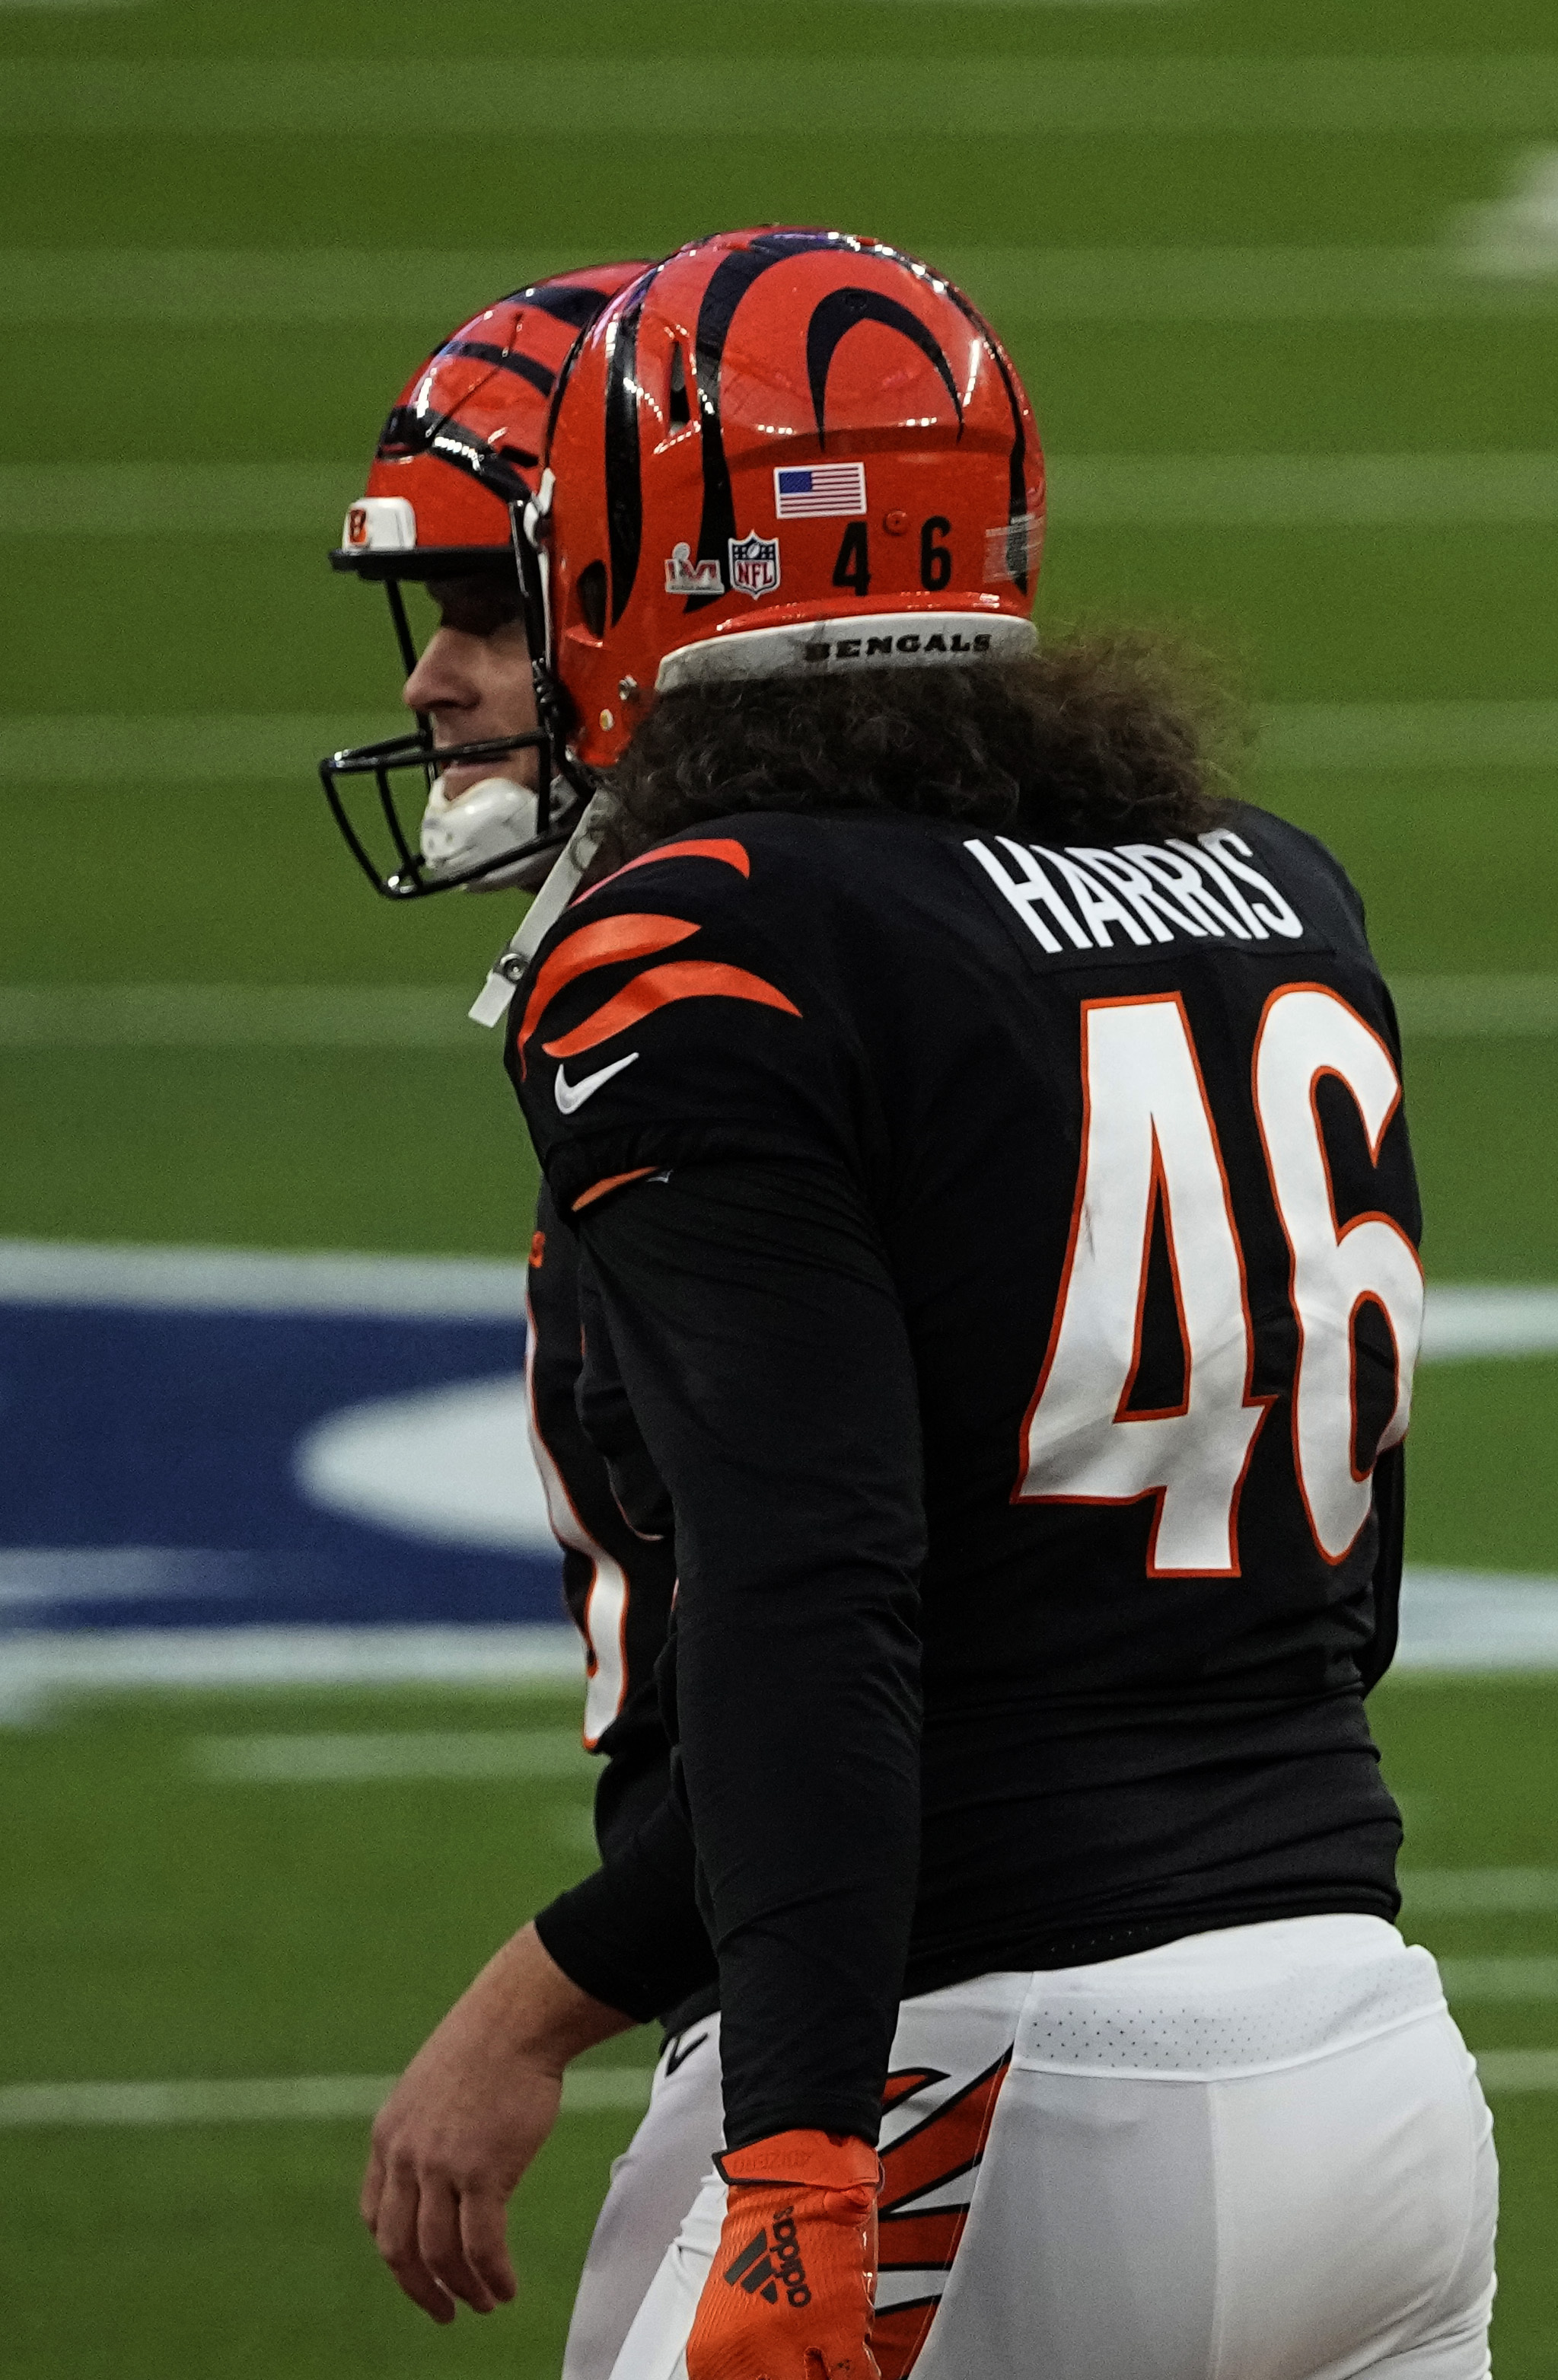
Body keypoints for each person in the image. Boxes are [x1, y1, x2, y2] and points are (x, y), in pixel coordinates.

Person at [390, 225, 1499, 2380]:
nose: (433, 679)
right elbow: (1321, 1578)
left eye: (474, 608)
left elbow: (818, 1588)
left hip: (968, 2082)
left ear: (666, 581)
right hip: (1358, 2047)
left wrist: (796, 2148)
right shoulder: (1263, 880)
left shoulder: (703, 940)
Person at [321, 260, 749, 2380]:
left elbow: (858, 1629)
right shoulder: (1060, 914)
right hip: (1305, 1980)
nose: (433, 683)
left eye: (491, 612)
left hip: (932, 2006)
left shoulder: (720, 1019)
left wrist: (530, 2003)